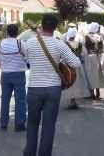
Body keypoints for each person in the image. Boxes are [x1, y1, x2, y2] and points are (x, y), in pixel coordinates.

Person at [23, 14, 81, 156]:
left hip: (34, 88)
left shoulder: (29, 42)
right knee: (49, 126)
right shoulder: (59, 44)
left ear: (42, 25)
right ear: (55, 28)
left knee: (32, 124)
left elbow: (25, 59)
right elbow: (76, 63)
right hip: (53, 89)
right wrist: (60, 62)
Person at [0, 24, 27, 132]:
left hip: (5, 74)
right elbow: (28, 58)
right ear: (17, 32)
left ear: (7, 32)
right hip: (19, 74)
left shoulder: (0, 43)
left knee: (5, 99)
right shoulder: (20, 43)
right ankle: (19, 124)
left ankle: (4, 123)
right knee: (20, 100)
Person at [62, 28, 90, 109]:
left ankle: (72, 100)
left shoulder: (65, 44)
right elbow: (85, 53)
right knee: (77, 82)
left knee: (70, 82)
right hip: (77, 66)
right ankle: (74, 101)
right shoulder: (79, 44)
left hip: (68, 66)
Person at [83, 22, 104, 99]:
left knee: (90, 75)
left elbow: (83, 49)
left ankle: (92, 93)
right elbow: (103, 47)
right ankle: (98, 92)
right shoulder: (99, 36)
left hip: (90, 57)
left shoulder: (86, 37)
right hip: (100, 57)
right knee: (98, 75)